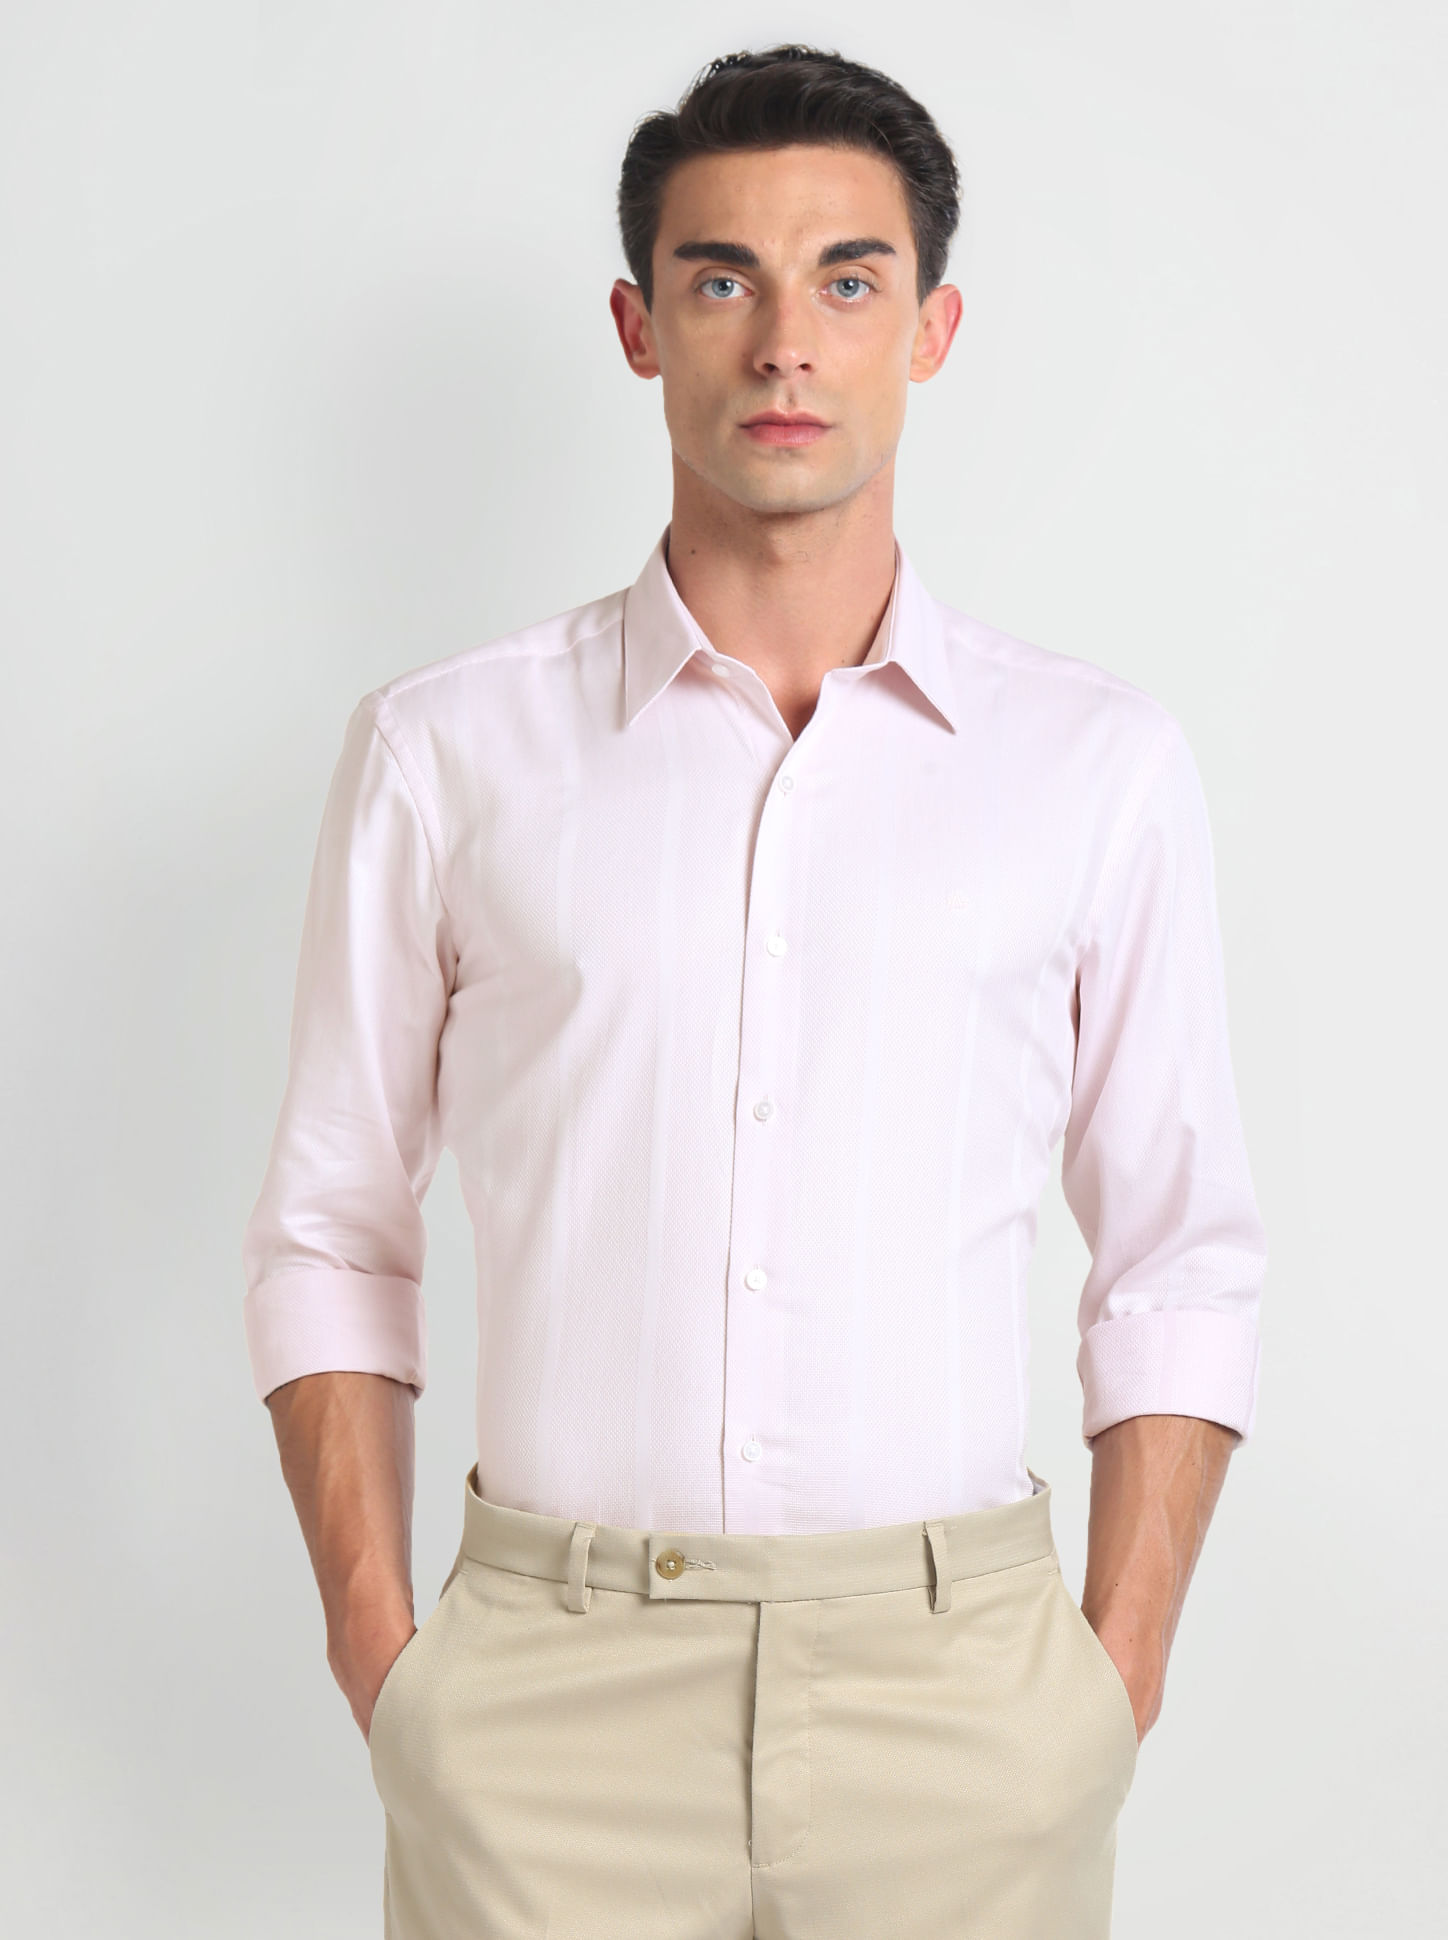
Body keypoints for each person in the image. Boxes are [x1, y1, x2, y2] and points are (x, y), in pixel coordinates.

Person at [243, 43, 1266, 1940]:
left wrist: (1106, 1685)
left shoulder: (1096, 768)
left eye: (847, 281)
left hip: (964, 1702)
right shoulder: (445, 754)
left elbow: (1179, 1258)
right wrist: (387, 1659)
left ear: (931, 328)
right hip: (544, 1702)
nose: (787, 341)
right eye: (723, 279)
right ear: (640, 328)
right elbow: (332, 1229)